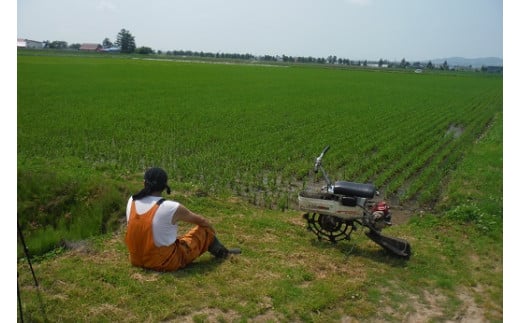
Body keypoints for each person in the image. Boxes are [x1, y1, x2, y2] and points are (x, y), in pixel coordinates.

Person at [125, 167, 240, 272]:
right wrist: (211, 230)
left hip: (136, 259)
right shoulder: (170, 207)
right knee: (205, 231)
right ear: (164, 187)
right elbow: (201, 221)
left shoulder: (132, 201)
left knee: (174, 238)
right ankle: (223, 252)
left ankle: (218, 249)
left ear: (144, 183)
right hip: (163, 262)